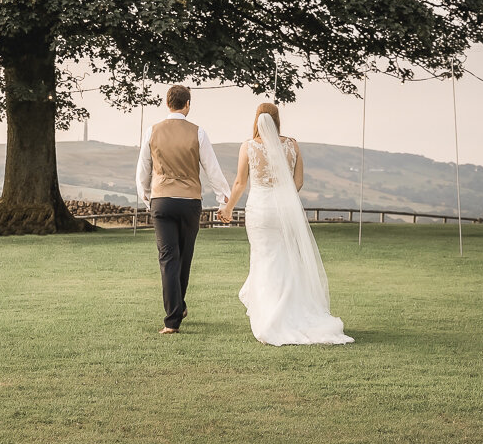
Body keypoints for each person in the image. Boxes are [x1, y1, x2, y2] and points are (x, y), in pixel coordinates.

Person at [216, 103, 353, 346]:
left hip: (259, 210)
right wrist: (282, 195)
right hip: (285, 210)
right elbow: (297, 183)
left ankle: (270, 316)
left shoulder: (248, 146)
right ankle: (292, 312)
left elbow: (239, 183)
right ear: (278, 120)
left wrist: (227, 209)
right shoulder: (292, 145)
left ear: (257, 119)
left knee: (264, 259)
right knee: (287, 260)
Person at [135, 84, 230, 334]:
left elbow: (143, 168)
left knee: (168, 259)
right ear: (187, 104)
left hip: (162, 201)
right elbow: (212, 169)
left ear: (168, 103)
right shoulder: (198, 133)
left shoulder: (152, 131)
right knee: (184, 257)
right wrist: (224, 200)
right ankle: (177, 309)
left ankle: (173, 318)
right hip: (189, 203)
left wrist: (147, 197)